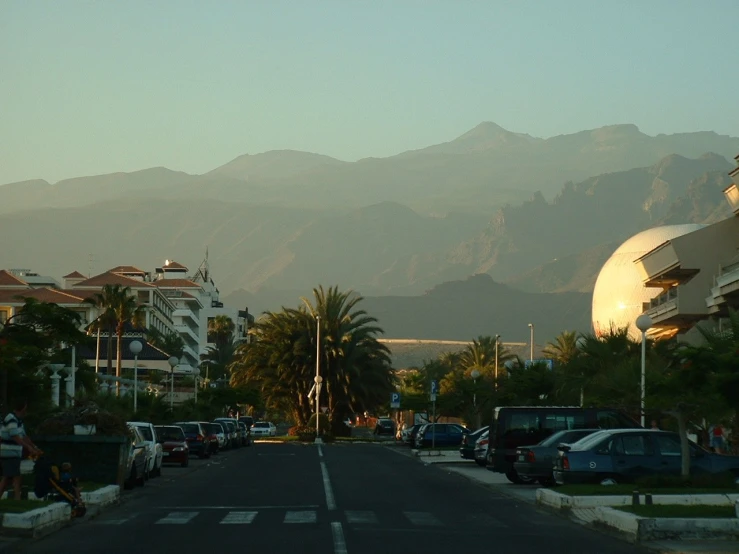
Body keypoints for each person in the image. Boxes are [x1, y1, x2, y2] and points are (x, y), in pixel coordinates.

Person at [0, 399, 42, 500]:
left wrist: (34, 447)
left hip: (14, 452)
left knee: (7, 477)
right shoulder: (11, 419)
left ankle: (16, 497)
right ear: (22, 408)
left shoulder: (18, 420)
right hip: (9, 452)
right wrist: (28, 447)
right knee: (15, 476)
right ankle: (17, 498)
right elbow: (15, 436)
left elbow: (23, 436)